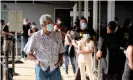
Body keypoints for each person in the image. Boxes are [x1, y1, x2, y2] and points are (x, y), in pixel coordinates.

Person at [24, 14, 64, 80]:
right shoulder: (36, 36)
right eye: (48, 23)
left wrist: (60, 59)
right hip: (41, 68)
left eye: (51, 22)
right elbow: (28, 51)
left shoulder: (57, 35)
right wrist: (35, 60)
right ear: (42, 25)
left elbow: (61, 50)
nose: (51, 24)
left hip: (55, 68)